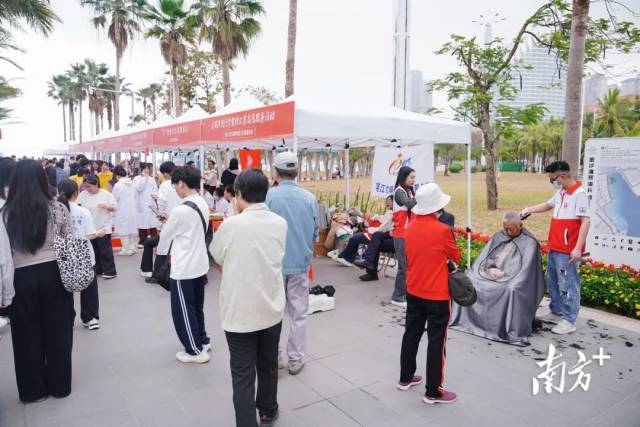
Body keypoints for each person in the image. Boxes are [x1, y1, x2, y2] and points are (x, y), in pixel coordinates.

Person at [211, 169, 288, 427]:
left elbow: (217, 256)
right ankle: (268, 410)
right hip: (271, 306)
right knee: (268, 364)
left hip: (239, 311)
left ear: (239, 194)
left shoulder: (231, 224)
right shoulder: (279, 222)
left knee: (243, 373)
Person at [2, 159, 75, 402]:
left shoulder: (6, 214)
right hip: (55, 274)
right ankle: (60, 386)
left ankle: (33, 391)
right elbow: (70, 240)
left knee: (25, 335)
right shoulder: (58, 208)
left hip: (20, 278)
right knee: (59, 331)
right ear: (43, 181)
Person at [398, 183, 461, 404]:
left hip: (414, 289)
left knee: (411, 334)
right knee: (436, 341)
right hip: (437, 293)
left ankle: (405, 378)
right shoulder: (443, 230)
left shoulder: (410, 227)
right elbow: (456, 257)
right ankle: (433, 391)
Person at [449, 212, 545, 345]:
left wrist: (506, 274)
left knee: (512, 289)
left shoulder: (530, 243)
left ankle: (508, 330)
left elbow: (526, 271)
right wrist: (491, 268)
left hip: (513, 278)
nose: (507, 232)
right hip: (491, 274)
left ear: (520, 225)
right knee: (470, 279)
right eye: (505, 228)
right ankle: (465, 321)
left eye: (511, 229)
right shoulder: (499, 236)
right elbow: (486, 259)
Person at [520, 160, 590, 335]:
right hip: (555, 246)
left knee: (568, 284)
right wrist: (529, 209)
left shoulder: (579, 194)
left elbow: (585, 222)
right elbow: (547, 205)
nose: (553, 182)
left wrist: (578, 248)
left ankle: (569, 320)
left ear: (563, 175)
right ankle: (556, 312)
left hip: (568, 250)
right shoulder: (561, 192)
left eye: (553, 179)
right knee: (553, 281)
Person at [266, 152, 319, 375]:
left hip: (274, 265)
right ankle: (296, 359)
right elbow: (315, 233)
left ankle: (274, 356)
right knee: (299, 313)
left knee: (273, 313)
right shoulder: (309, 198)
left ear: (275, 173)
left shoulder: (269, 197)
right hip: (299, 264)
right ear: (296, 172)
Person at [157, 167, 211, 363]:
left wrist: (166, 222)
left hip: (184, 267)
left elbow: (165, 236)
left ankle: (195, 351)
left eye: (175, 185)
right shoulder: (202, 202)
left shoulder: (180, 210)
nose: (175, 190)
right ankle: (202, 340)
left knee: (183, 311)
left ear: (181, 183)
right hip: (199, 264)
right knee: (196, 308)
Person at [58, 179, 106, 330]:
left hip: (63, 256)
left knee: (65, 288)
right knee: (89, 286)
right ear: (76, 193)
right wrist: (99, 233)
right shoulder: (83, 211)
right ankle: (90, 318)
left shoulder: (55, 211)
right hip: (84, 254)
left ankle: (67, 318)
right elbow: (90, 235)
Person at [141, 162, 180, 283]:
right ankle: (154, 273)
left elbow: (161, 203)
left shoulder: (166, 185)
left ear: (166, 173)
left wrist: (160, 216)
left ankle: (157, 275)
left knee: (162, 248)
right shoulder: (183, 184)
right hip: (181, 223)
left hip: (169, 222)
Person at [77, 175, 118, 279]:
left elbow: (115, 207)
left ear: (96, 184)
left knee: (105, 250)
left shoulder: (105, 194)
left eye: (89, 186)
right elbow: (77, 206)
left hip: (103, 226)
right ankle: (98, 269)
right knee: (94, 249)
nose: (87, 189)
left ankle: (110, 271)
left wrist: (107, 206)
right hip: (90, 227)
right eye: (86, 186)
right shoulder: (83, 194)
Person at [390, 166, 417, 308]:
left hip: (408, 234)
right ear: (403, 177)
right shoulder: (399, 192)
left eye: (414, 177)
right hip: (401, 235)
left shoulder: (407, 191)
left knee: (408, 266)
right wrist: (422, 195)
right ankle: (397, 297)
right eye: (411, 177)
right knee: (403, 267)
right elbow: (410, 204)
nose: (413, 180)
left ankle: (406, 294)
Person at [111, 165, 138, 256]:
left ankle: (125, 248)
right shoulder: (132, 183)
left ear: (116, 175)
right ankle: (132, 248)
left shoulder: (118, 185)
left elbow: (114, 199)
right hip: (132, 209)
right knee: (131, 229)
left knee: (123, 230)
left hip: (121, 210)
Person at [133, 162, 158, 247]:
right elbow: (138, 189)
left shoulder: (151, 179)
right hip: (142, 204)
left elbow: (155, 188)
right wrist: (144, 179)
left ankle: (154, 242)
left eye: (148, 168)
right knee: (142, 224)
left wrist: (155, 194)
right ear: (141, 169)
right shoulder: (137, 179)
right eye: (145, 168)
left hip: (151, 203)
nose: (147, 170)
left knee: (153, 224)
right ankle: (142, 241)